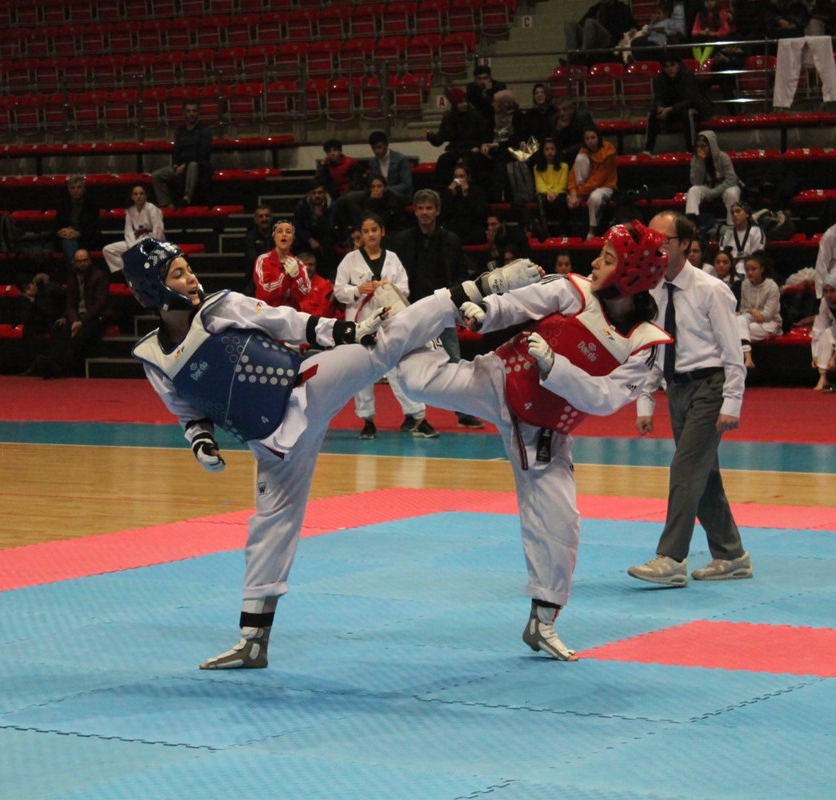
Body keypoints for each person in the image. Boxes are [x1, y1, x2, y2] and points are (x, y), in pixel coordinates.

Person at [121, 238, 541, 669]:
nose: (191, 279)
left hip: (305, 387)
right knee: (269, 525)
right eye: (178, 274)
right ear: (153, 288)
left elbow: (286, 321)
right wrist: (200, 441)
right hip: (270, 444)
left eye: (188, 269)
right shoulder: (153, 357)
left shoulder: (221, 307)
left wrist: (342, 332)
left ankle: (484, 285)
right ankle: (252, 640)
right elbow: (186, 410)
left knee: (384, 343)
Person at [396, 221, 672, 660]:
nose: (595, 262)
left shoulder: (644, 342)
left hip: (546, 433)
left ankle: (542, 623)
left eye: (607, 258)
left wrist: (555, 369)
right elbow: (519, 302)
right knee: (414, 380)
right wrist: (487, 313)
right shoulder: (573, 289)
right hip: (500, 378)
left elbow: (603, 399)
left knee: (561, 526)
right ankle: (410, 322)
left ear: (630, 274)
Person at [627, 210, 751, 587]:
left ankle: (671, 558)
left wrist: (732, 401)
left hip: (709, 388)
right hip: (675, 388)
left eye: (664, 239)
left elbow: (733, 351)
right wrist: (645, 401)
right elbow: (653, 348)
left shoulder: (710, 289)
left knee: (684, 469)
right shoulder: (652, 289)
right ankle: (731, 555)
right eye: (652, 238)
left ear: (684, 245)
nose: (657, 245)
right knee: (704, 475)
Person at [333, 213, 438, 440]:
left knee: (397, 368)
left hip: (390, 321)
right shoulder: (350, 260)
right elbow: (339, 291)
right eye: (366, 231)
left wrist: (386, 287)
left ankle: (417, 416)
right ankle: (367, 420)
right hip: (361, 322)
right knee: (362, 370)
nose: (370, 234)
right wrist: (358, 290)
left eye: (374, 230)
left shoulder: (392, 258)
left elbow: (405, 289)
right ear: (360, 234)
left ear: (382, 232)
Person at [388, 188, 485, 429]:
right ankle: (413, 416)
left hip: (443, 309)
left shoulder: (450, 240)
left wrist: (455, 301)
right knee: (407, 362)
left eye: (429, 208)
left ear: (438, 211)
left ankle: (463, 413)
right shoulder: (402, 241)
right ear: (415, 211)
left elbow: (462, 274)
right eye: (420, 208)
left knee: (453, 360)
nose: (424, 213)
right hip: (413, 311)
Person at [23, 249, 111, 378]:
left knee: (80, 334)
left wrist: (80, 322)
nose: (82, 264)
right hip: (77, 317)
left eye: (85, 260)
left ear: (90, 261)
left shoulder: (100, 276)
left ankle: (57, 366)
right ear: (75, 262)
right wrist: (73, 320)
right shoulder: (72, 277)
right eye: (79, 261)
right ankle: (51, 361)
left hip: (96, 317)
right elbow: (70, 303)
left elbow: (99, 305)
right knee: (58, 328)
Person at [644, 55, 711, 155]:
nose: (669, 69)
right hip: (670, 109)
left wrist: (671, 109)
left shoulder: (687, 75)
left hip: (690, 108)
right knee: (653, 113)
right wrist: (660, 107)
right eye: (666, 66)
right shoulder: (660, 78)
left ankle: (691, 149)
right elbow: (658, 97)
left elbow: (690, 100)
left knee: (687, 114)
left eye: (672, 65)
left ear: (679, 65)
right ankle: (648, 149)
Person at [425, 87, 491, 189]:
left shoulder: (476, 116)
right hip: (455, 150)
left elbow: (486, 135)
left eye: (465, 101)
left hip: (472, 149)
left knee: (471, 161)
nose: (464, 104)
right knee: (443, 160)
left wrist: (479, 146)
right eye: (460, 102)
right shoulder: (449, 118)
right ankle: (443, 192)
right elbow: (439, 140)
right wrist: (430, 136)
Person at [150, 99, 212, 208]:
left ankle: (187, 198)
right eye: (188, 111)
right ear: (184, 113)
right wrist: (175, 164)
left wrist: (185, 165)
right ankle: (166, 204)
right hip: (181, 166)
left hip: (199, 166)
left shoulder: (205, 130)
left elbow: (203, 153)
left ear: (198, 113)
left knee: (193, 165)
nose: (191, 114)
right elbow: (176, 150)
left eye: (194, 111)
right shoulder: (180, 130)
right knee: (156, 175)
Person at [567, 126, 618, 238]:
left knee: (595, 198)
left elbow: (598, 180)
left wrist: (577, 194)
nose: (590, 141)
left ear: (599, 138)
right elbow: (573, 174)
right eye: (587, 138)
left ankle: (592, 230)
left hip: (605, 185)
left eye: (593, 137)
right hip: (584, 186)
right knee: (580, 158)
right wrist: (573, 193)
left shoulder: (608, 152)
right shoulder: (583, 151)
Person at [735, 250, 782, 370]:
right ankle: (748, 358)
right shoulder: (745, 284)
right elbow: (744, 308)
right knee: (739, 320)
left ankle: (744, 359)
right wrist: (746, 313)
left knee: (741, 331)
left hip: (770, 322)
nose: (750, 272)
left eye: (753, 269)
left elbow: (766, 315)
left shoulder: (772, 286)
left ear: (761, 269)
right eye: (747, 269)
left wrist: (754, 313)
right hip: (751, 318)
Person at [102, 184, 164, 274]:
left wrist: (151, 244)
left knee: (142, 251)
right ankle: (127, 270)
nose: (138, 196)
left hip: (151, 241)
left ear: (146, 196)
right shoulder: (130, 211)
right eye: (135, 194)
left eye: (141, 194)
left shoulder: (152, 208)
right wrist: (132, 246)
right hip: (135, 241)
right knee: (108, 250)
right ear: (132, 197)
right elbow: (128, 231)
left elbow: (158, 229)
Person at [686, 130, 741, 227]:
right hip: (707, 187)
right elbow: (696, 182)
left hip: (725, 187)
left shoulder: (723, 157)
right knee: (693, 190)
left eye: (703, 146)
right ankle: (692, 225)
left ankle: (732, 225)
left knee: (732, 193)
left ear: (711, 145)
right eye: (697, 146)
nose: (700, 149)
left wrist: (713, 193)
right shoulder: (696, 159)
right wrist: (700, 163)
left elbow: (732, 179)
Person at [253, 220, 311, 311]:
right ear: (274, 237)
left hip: (290, 315)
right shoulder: (263, 260)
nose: (284, 234)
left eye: (288, 232)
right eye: (279, 231)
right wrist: (286, 276)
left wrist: (296, 277)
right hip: (264, 312)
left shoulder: (300, 265)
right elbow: (265, 292)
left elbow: (304, 294)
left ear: (293, 238)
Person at [52, 174, 102, 267]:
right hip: (65, 238)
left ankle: (73, 272)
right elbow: (56, 226)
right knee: (68, 242)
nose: (76, 190)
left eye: (79, 187)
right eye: (73, 188)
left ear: (84, 189)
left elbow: (94, 228)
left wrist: (78, 233)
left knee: (70, 243)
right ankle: (76, 272)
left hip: (85, 238)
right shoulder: (63, 205)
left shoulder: (91, 205)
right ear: (68, 190)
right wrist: (60, 232)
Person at [293, 180, 337, 275]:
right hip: (306, 242)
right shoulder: (302, 206)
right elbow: (297, 227)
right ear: (309, 194)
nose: (317, 195)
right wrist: (309, 239)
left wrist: (320, 218)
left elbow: (331, 228)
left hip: (326, 241)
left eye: (320, 192)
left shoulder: (332, 206)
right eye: (314, 193)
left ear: (325, 193)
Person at [565, 0, 638, 56]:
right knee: (570, 23)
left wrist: (632, 30)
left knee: (589, 22)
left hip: (609, 39)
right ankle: (572, 57)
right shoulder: (595, 9)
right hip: (591, 38)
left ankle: (584, 57)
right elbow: (580, 26)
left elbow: (634, 26)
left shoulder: (622, 8)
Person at [441, 162, 489, 245]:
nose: (458, 180)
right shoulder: (448, 192)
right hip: (454, 228)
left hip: (471, 228)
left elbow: (479, 214)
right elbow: (445, 214)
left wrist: (466, 195)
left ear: (468, 177)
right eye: (456, 177)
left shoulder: (477, 191)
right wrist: (451, 195)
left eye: (462, 176)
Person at [531, 139, 570, 239]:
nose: (549, 152)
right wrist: (549, 193)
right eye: (546, 149)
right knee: (540, 199)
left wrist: (554, 193)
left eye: (552, 149)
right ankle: (545, 231)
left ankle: (562, 232)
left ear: (556, 151)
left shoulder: (564, 166)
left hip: (558, 193)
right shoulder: (537, 167)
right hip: (544, 194)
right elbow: (539, 185)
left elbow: (562, 185)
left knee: (562, 200)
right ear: (542, 152)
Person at [363, 130, 413, 204]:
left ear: (386, 144)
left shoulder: (401, 159)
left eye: (379, 147)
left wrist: (385, 190)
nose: (376, 151)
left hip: (400, 195)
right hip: (380, 195)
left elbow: (407, 185)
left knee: (386, 198)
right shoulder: (372, 162)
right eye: (373, 148)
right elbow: (372, 183)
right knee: (354, 197)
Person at [717, 200, 763, 277]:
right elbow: (722, 255)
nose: (735, 214)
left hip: (750, 271)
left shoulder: (756, 231)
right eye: (732, 213)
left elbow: (758, 256)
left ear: (747, 214)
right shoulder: (727, 233)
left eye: (738, 211)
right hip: (730, 272)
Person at [19, 272, 64, 339]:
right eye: (24, 291)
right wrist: (32, 303)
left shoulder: (50, 290)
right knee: (27, 330)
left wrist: (64, 316)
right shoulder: (27, 299)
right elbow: (25, 319)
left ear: (34, 284)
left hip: (53, 320)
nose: (28, 292)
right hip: (40, 324)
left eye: (28, 288)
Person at [295, 251, 339, 319]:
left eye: (311, 265)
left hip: (315, 323)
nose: (308, 268)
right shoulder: (292, 283)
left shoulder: (324, 285)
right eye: (305, 265)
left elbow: (324, 311)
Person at [242, 204, 275, 293]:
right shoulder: (250, 237)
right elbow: (253, 259)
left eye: (267, 216)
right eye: (261, 216)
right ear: (256, 220)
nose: (264, 219)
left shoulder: (279, 235)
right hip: (255, 277)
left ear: (271, 218)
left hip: (276, 276)